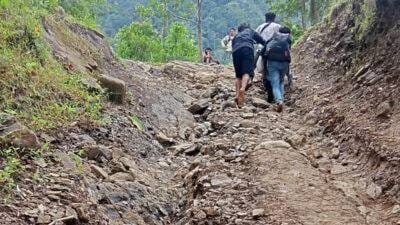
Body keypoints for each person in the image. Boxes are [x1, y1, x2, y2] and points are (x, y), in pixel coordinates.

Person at [232, 23, 267, 107]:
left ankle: (237, 95)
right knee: (246, 72)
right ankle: (243, 89)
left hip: (235, 51)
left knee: (238, 76)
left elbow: (232, 46)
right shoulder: (250, 31)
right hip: (247, 48)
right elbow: (262, 41)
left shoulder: (236, 36)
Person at [264, 26, 292, 112]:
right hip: (284, 62)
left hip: (272, 62)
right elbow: (289, 50)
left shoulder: (274, 37)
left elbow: (266, 48)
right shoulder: (288, 39)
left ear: (278, 32)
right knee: (281, 81)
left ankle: (279, 101)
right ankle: (281, 100)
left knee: (275, 83)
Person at [256, 12, 282, 103]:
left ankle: (269, 94)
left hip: (263, 52)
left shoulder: (260, 27)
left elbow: (255, 38)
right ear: (274, 18)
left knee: (264, 73)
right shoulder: (278, 26)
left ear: (265, 18)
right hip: (275, 52)